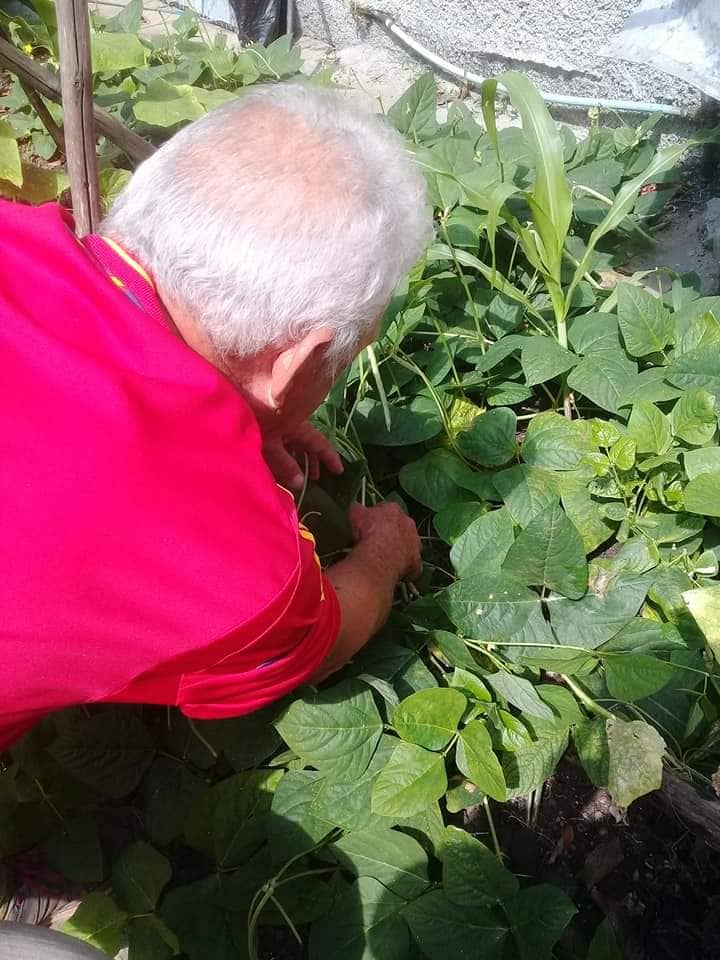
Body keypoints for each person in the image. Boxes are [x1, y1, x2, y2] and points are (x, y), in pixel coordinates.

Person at [0, 82, 432, 754]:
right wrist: (383, 556)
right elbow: (322, 639)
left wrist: (245, 417)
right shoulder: (241, 577)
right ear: (296, 361)